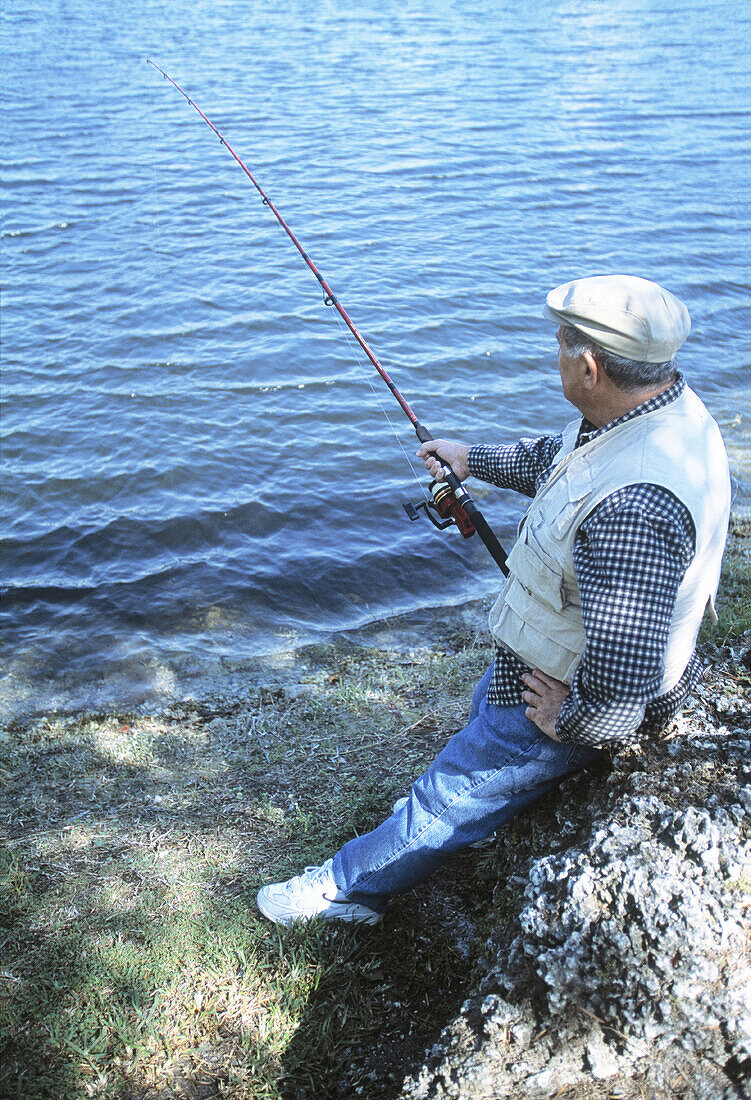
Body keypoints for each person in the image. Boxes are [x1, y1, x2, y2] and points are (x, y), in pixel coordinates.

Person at [256, 274, 731, 927]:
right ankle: (477, 808)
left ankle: (345, 888)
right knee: (484, 725)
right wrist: (470, 458)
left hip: (563, 690)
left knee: (449, 795)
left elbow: (620, 691)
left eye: (560, 345)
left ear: (587, 365)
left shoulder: (632, 510)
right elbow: (553, 460)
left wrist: (572, 722)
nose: (555, 353)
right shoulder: (652, 412)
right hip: (541, 657)